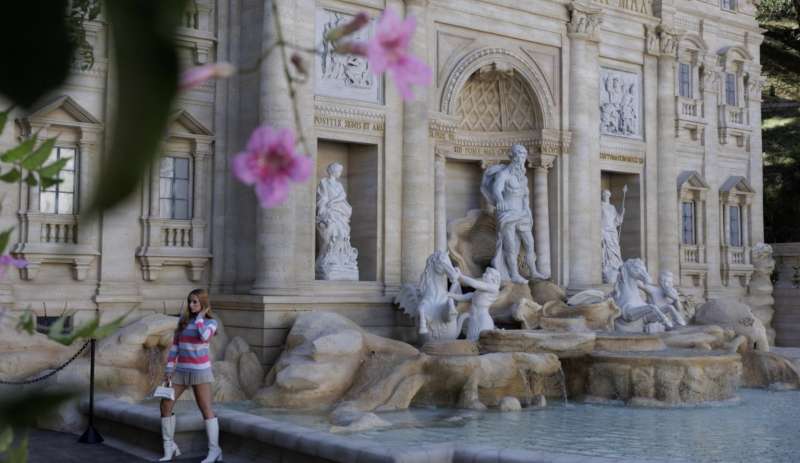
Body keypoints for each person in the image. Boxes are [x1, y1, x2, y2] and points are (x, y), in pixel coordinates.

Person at [159, 289, 222, 463]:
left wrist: (201, 318)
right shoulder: (183, 321)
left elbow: (203, 337)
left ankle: (215, 450)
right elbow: (175, 347)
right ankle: (169, 447)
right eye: (189, 301)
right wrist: (169, 369)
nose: (191, 305)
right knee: (165, 405)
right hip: (180, 371)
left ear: (203, 303)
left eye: (195, 302)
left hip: (200, 371)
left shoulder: (211, 323)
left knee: (206, 410)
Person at [480, 144, 548, 284]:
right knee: (510, 246)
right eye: (520, 154)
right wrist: (500, 200)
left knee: (530, 243)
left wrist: (527, 209)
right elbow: (497, 189)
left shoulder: (523, 177)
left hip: (522, 213)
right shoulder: (504, 174)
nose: (522, 157)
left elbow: (525, 196)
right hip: (507, 212)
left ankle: (533, 270)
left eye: (524, 154)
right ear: (513, 156)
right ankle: (514, 274)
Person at [448, 266, 502, 341]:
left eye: (487, 274)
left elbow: (475, 284)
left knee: (480, 344)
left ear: (493, 278)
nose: (483, 274)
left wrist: (460, 276)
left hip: (483, 320)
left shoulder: (494, 288)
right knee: (470, 343)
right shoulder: (478, 292)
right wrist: (449, 295)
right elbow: (464, 297)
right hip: (473, 320)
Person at [600, 189, 624, 284]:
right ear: (602, 196)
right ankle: (607, 266)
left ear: (609, 196)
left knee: (615, 248)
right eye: (604, 194)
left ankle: (615, 265)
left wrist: (621, 215)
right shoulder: (600, 206)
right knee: (607, 250)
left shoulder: (612, 207)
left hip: (612, 230)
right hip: (604, 230)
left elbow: (617, 221)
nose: (606, 196)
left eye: (607, 194)